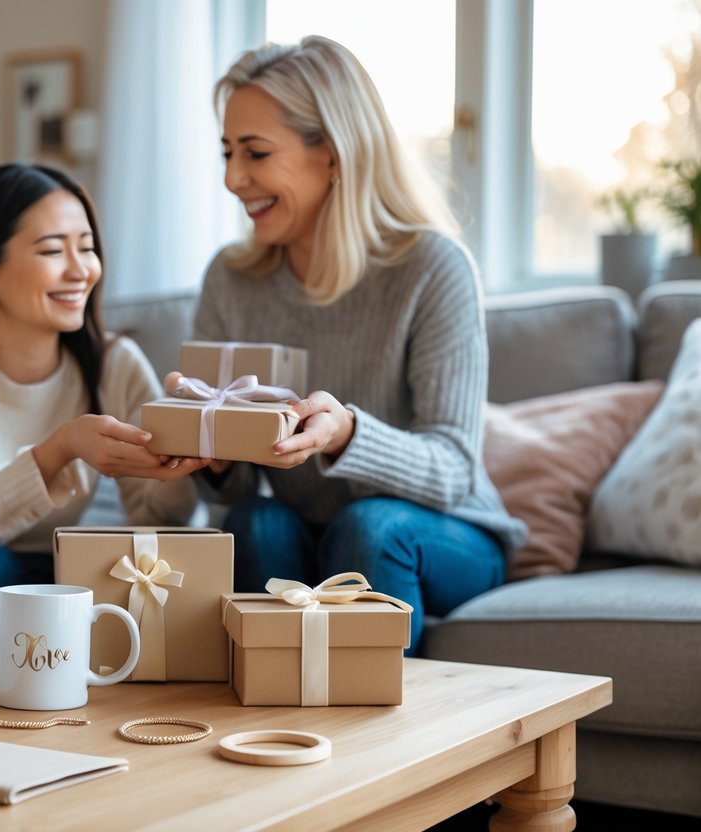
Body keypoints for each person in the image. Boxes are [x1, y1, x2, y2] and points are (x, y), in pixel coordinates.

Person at [190, 37, 527, 654]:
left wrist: (347, 434)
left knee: (370, 528)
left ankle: (384, 743)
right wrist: (207, 440)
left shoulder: (432, 268)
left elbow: (454, 469)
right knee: (251, 524)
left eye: (256, 153)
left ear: (336, 156)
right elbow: (237, 490)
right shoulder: (230, 279)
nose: (234, 178)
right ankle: (268, 720)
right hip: (309, 525)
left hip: (442, 532)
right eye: (228, 152)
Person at [0, 163, 206, 638]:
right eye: (54, 250)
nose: (81, 270)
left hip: (83, 572)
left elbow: (160, 519)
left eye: (87, 247)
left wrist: (179, 453)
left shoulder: (115, 361)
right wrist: (60, 449)